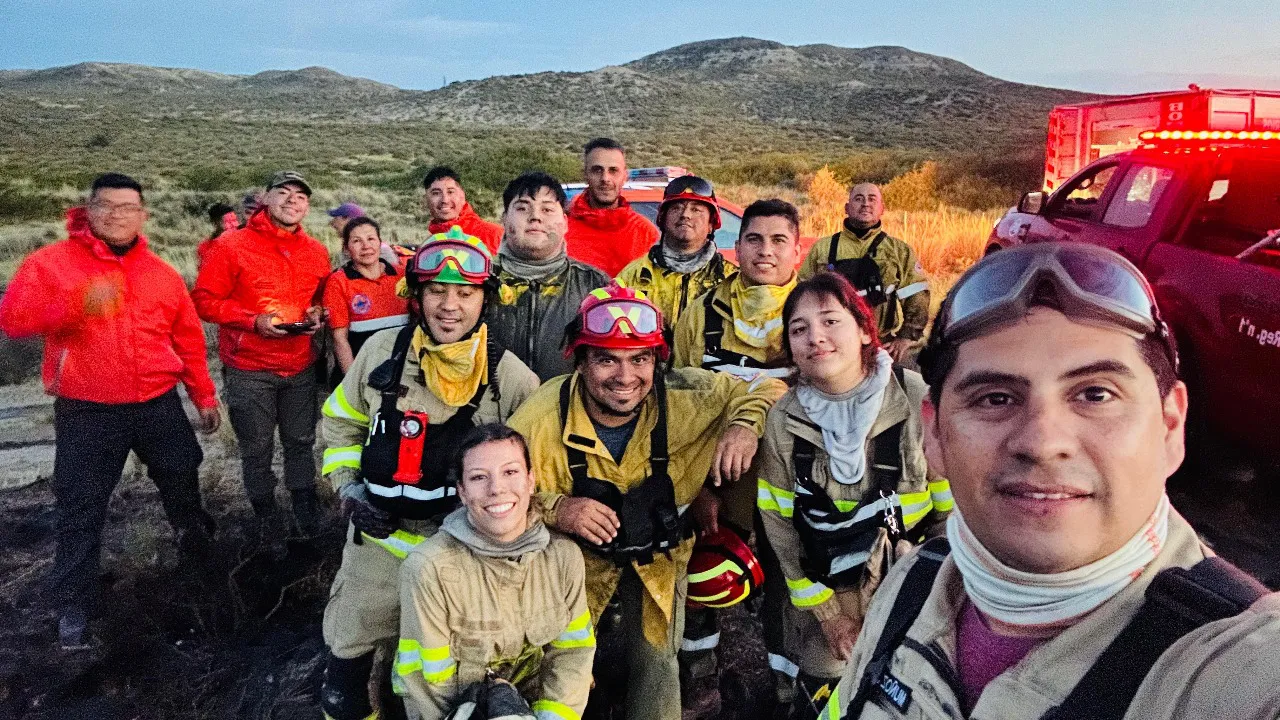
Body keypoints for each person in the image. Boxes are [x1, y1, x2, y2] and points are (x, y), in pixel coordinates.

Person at [816, 242, 1280, 720]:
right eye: (995, 398)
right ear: (933, 434)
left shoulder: (1245, 669)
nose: (1042, 441)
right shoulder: (911, 585)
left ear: (1169, 426)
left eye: (1096, 394)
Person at [506, 285, 787, 720]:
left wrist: (745, 426)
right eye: (606, 359)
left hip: (657, 562)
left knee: (656, 672)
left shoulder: (686, 397)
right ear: (579, 361)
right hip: (570, 565)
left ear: (657, 360)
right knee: (560, 671)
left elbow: (768, 386)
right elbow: (496, 496)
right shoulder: (538, 420)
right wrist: (558, 509)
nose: (625, 376)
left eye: (639, 359)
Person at [318, 229, 540, 720]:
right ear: (415, 296)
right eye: (436, 290)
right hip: (375, 549)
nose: (449, 306)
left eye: (465, 293)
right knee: (344, 683)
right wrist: (349, 488)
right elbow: (339, 423)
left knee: (433, 681)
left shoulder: (512, 380)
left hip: (463, 560)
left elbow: (535, 475)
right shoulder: (379, 354)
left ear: (486, 298)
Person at [0, 172, 221, 650]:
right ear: (88, 209)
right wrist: (77, 305)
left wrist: (203, 394)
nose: (117, 215)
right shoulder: (50, 263)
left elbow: (186, 339)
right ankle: (74, 609)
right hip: (88, 409)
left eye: (128, 207)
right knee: (81, 507)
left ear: (142, 215)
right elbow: (13, 320)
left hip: (157, 404)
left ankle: (204, 575)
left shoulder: (160, 273)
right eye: (107, 206)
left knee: (183, 483)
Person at [756, 272, 952, 719]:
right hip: (831, 590)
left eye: (830, 321)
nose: (815, 338)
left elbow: (949, 510)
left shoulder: (916, 399)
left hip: (911, 577)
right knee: (830, 685)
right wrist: (830, 617)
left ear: (865, 330)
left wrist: (924, 588)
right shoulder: (782, 422)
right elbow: (780, 532)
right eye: (799, 329)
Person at [668, 198, 801, 717]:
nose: (765, 252)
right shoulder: (702, 312)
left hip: (788, 476)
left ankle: (785, 692)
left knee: (788, 584)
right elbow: (675, 403)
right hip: (711, 475)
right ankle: (700, 680)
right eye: (754, 240)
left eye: (778, 241)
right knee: (698, 577)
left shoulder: (812, 313)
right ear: (736, 246)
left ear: (796, 252)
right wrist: (695, 487)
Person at [397, 423, 595, 720]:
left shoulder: (563, 558)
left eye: (511, 472)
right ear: (461, 493)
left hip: (535, 703)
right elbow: (428, 685)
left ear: (531, 481)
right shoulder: (430, 568)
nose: (496, 489)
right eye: (478, 477)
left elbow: (572, 655)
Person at [192, 170, 332, 537]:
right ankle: (267, 521)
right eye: (283, 193)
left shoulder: (316, 251)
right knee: (256, 448)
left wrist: (316, 314)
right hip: (249, 368)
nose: (292, 200)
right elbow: (204, 302)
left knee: (301, 443)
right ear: (265, 199)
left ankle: (306, 513)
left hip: (299, 364)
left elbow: (317, 299)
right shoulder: (230, 245)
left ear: (308, 207)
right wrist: (253, 322)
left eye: (300, 196)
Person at [486, 171, 609, 381]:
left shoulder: (595, 286)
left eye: (547, 209)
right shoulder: (478, 280)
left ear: (565, 222)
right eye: (522, 208)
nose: (535, 216)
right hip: (487, 410)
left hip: (567, 409)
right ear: (504, 219)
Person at [798, 183, 929, 364]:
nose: (865, 204)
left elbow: (916, 294)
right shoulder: (822, 248)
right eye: (858, 199)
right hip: (831, 347)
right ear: (847, 208)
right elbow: (801, 298)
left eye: (872, 199)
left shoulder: (899, 251)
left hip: (883, 345)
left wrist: (906, 337)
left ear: (882, 208)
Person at [616, 175, 735, 330]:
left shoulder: (731, 280)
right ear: (662, 219)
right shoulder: (631, 277)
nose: (685, 215)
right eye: (676, 208)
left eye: (696, 209)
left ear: (711, 224)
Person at [321, 217, 410, 388]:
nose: (366, 246)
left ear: (380, 243)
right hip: (361, 372)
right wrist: (354, 384)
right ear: (346, 249)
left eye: (371, 239)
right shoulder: (338, 281)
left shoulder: (402, 276)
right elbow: (340, 339)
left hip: (401, 374)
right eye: (356, 241)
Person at [565, 138, 659, 277]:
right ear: (585, 174)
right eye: (597, 170)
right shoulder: (561, 229)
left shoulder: (645, 233)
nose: (605, 178)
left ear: (624, 176)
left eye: (613, 170)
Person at [423, 166, 503, 253]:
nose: (444, 200)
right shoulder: (428, 247)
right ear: (426, 199)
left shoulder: (495, 235)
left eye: (450, 192)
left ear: (462, 196)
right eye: (436, 193)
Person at [197, 202, 239, 269]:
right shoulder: (204, 247)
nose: (234, 225)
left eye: (234, 220)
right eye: (228, 222)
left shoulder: (243, 244)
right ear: (215, 223)